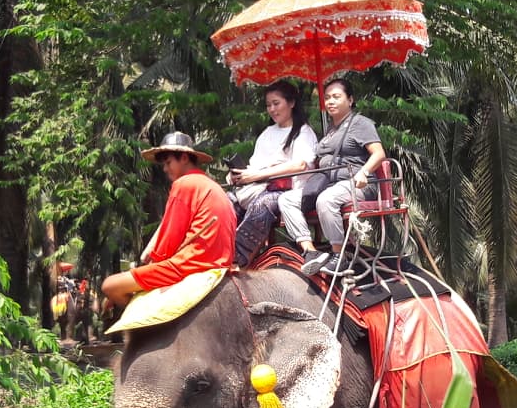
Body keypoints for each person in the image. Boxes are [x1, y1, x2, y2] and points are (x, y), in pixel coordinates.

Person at [102, 132, 236, 307]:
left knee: (110, 285)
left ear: (185, 158)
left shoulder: (184, 184)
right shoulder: (211, 184)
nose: (165, 169)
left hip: (192, 265)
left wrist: (153, 262)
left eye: (168, 162)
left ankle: (142, 324)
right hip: (220, 263)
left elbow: (170, 238)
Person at [278, 79, 385, 275]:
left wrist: (364, 172)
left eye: (336, 97)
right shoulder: (331, 128)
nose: (330, 102)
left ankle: (339, 255)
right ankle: (310, 251)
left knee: (325, 200)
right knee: (286, 200)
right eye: (327, 98)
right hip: (330, 183)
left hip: (358, 184)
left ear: (350, 100)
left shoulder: (360, 123)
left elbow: (379, 153)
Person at [227, 81, 318, 266]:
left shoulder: (303, 132)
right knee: (226, 201)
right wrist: (238, 175)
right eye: (268, 105)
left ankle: (239, 258)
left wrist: (258, 175)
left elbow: (300, 165)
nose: (272, 109)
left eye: (276, 103)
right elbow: (254, 165)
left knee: (263, 204)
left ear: (291, 103)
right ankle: (218, 248)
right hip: (259, 187)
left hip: (289, 192)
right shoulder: (267, 133)